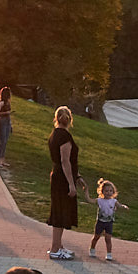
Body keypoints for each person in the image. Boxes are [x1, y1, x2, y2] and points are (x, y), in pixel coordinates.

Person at [48, 106, 88, 261]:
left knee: (61, 211)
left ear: (56, 118)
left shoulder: (54, 135)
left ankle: (59, 245)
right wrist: (71, 184)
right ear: (70, 119)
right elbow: (65, 161)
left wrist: (77, 176)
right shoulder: (64, 137)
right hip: (62, 179)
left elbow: (68, 162)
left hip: (58, 175)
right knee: (60, 212)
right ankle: (54, 248)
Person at [90, 179, 130, 262]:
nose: (108, 193)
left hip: (109, 223)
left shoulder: (114, 201)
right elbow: (89, 200)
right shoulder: (99, 200)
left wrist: (124, 207)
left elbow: (119, 206)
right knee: (96, 237)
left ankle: (109, 253)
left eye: (110, 191)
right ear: (102, 192)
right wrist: (86, 191)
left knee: (108, 238)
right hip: (100, 222)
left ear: (113, 192)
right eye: (106, 191)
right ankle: (92, 248)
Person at [0, 86, 13, 164]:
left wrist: (11, 124)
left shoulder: (8, 102)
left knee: (5, 141)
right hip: (2, 121)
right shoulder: (1, 102)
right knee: (3, 141)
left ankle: (2, 157)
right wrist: (6, 113)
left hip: (7, 121)